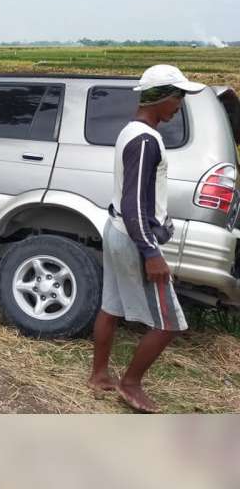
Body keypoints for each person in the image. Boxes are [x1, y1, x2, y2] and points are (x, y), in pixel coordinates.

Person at [88, 64, 206, 413]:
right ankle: (130, 384)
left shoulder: (131, 131)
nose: (180, 106)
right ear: (161, 98)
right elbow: (134, 205)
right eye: (178, 97)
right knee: (169, 322)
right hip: (134, 238)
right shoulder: (145, 141)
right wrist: (151, 253)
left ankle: (99, 376)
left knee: (110, 307)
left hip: (117, 230)